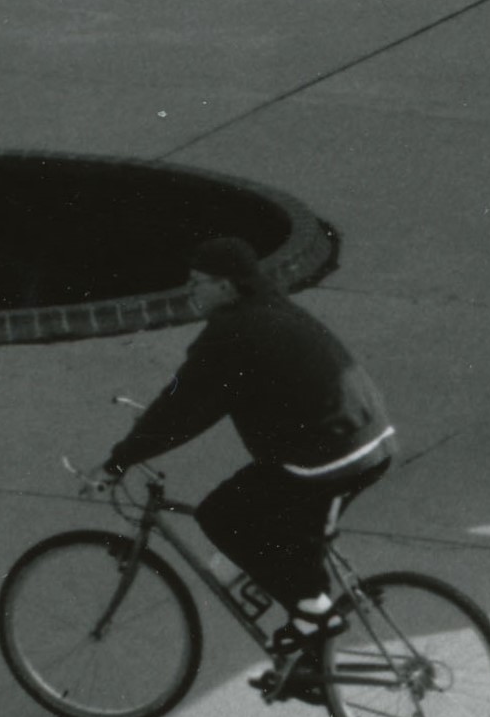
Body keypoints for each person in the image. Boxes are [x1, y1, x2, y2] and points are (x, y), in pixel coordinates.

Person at [102, 239, 392, 674]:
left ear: (226, 286)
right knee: (281, 532)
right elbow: (198, 400)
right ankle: (310, 661)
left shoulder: (231, 334)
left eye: (198, 283)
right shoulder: (270, 308)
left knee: (222, 516)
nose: (190, 290)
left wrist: (121, 458)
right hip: (368, 438)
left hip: (328, 455)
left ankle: (316, 618)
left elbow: (183, 407)